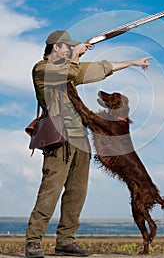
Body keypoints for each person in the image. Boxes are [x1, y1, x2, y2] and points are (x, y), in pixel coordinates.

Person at [25, 30, 152, 258]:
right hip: (58, 140)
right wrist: (75, 55)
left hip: (80, 141)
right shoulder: (43, 69)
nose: (71, 50)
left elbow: (101, 68)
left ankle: (66, 241)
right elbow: (69, 71)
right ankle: (33, 240)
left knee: (77, 191)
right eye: (68, 47)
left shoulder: (69, 70)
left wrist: (132, 63)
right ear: (57, 47)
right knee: (50, 190)